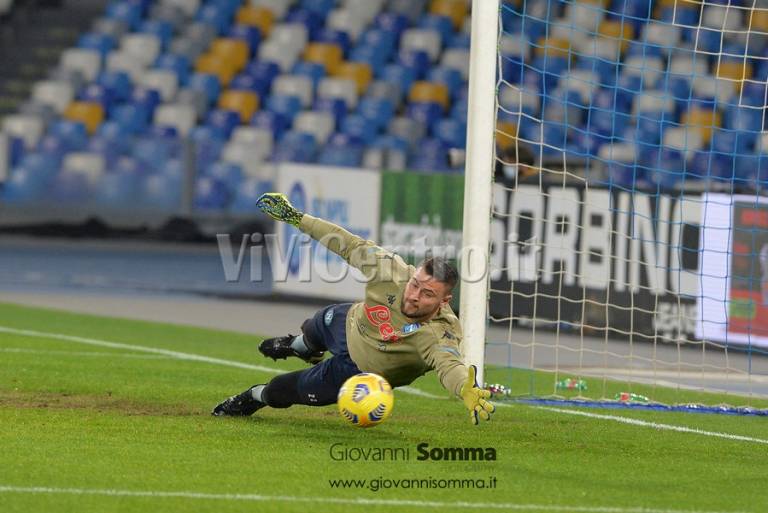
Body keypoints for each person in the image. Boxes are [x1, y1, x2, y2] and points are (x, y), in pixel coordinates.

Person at [212, 193, 495, 425]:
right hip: (348, 322)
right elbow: (345, 242)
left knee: (282, 390)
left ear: (444, 301)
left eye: (428, 293)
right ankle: (299, 346)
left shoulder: (439, 333)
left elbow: (449, 364)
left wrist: (464, 389)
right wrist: (296, 217)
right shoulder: (389, 271)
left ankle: (252, 396)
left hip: (357, 371)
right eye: (415, 284)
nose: (414, 296)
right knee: (314, 327)